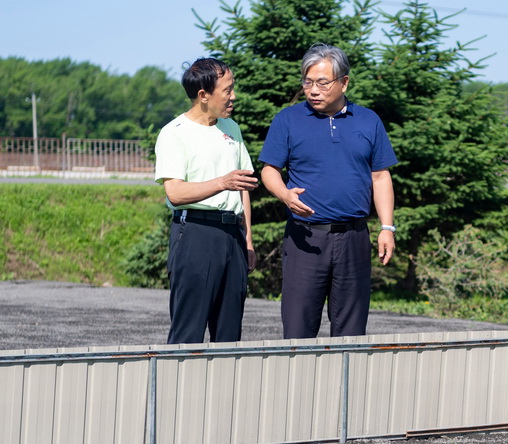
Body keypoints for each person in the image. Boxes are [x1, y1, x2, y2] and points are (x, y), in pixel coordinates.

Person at [259, 43, 397, 339]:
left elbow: (381, 176)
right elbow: (269, 170)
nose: (313, 90)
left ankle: (344, 386)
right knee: (298, 328)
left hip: (354, 238)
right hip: (305, 238)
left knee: (350, 330)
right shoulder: (288, 119)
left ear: (344, 81)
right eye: (308, 82)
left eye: (322, 82)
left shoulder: (368, 120)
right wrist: (284, 194)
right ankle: (298, 385)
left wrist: (387, 227)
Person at [154, 58, 258, 345]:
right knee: (188, 331)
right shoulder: (174, 133)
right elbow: (174, 192)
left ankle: (223, 390)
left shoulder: (231, 128)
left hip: (233, 236)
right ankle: (175, 389)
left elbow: (243, 187)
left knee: (229, 334)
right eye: (227, 90)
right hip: (195, 235)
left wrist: (247, 239)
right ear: (203, 96)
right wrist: (221, 183)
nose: (233, 96)